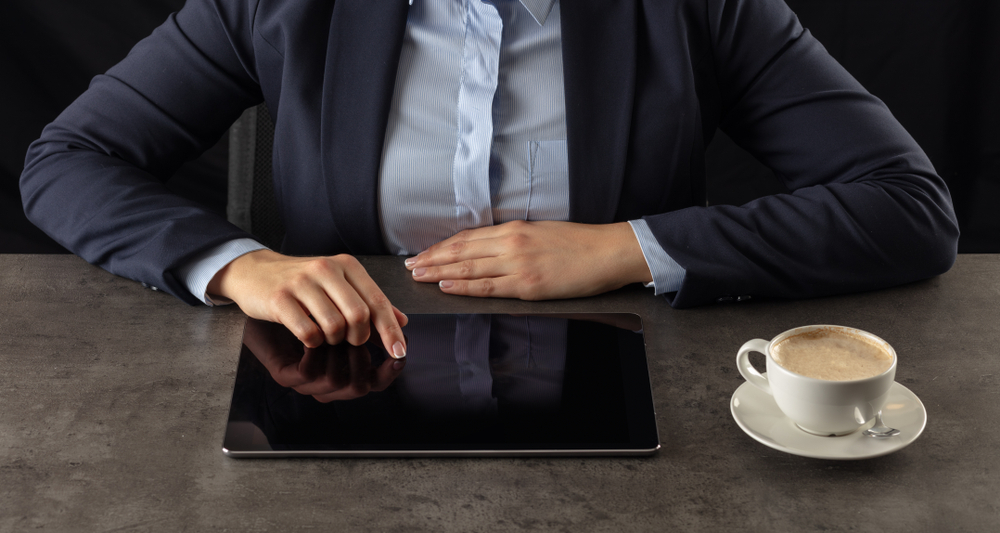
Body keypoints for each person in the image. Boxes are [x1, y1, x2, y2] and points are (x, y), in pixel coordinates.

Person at [20, 0, 959, 360]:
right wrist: (239, 266)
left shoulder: (699, 8)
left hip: (636, 403)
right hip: (326, 391)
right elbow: (68, 160)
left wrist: (626, 247)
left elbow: (908, 206)